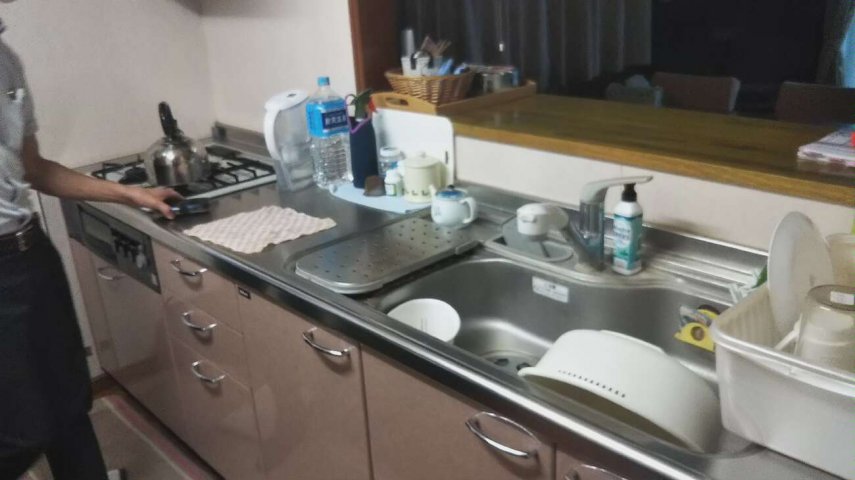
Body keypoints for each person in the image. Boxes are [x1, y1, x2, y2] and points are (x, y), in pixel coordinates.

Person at [0, 6, 181, 479]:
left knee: (68, 405)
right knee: (21, 430)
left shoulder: (6, 59)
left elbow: (34, 169)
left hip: (29, 255)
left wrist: (130, 194)